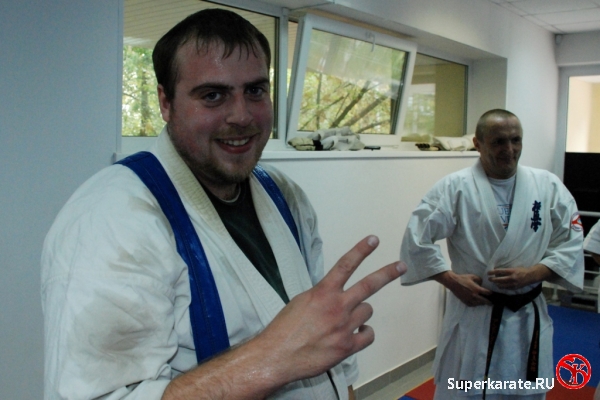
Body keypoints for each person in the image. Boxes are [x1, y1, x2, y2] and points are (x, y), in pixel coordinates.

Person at [41, 9, 406, 400]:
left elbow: (324, 333)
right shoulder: (113, 219)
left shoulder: (285, 195)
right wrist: (270, 358)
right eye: (212, 95)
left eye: (255, 91)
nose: (241, 116)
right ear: (165, 102)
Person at [400, 109, 584, 399]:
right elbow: (416, 239)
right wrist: (451, 280)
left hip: (526, 316)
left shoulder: (547, 186)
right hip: (475, 313)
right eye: (499, 141)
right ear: (478, 143)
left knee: (522, 391)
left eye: (515, 140)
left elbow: (571, 241)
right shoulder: (454, 187)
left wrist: (534, 273)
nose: (509, 149)